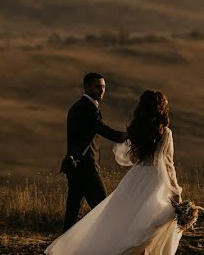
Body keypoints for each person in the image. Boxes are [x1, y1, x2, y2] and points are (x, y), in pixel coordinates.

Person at [46, 90, 184, 255]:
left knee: (128, 220)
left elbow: (133, 158)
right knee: (151, 221)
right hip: (155, 180)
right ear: (161, 108)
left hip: (135, 177)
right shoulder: (165, 133)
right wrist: (176, 191)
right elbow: (168, 164)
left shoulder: (135, 129)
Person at [59, 72, 128, 231]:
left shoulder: (78, 107)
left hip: (75, 166)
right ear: (87, 87)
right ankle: (108, 243)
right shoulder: (87, 108)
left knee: (72, 212)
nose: (102, 90)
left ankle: (62, 247)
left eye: (104, 87)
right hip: (87, 169)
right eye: (97, 87)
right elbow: (102, 129)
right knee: (104, 210)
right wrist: (124, 136)